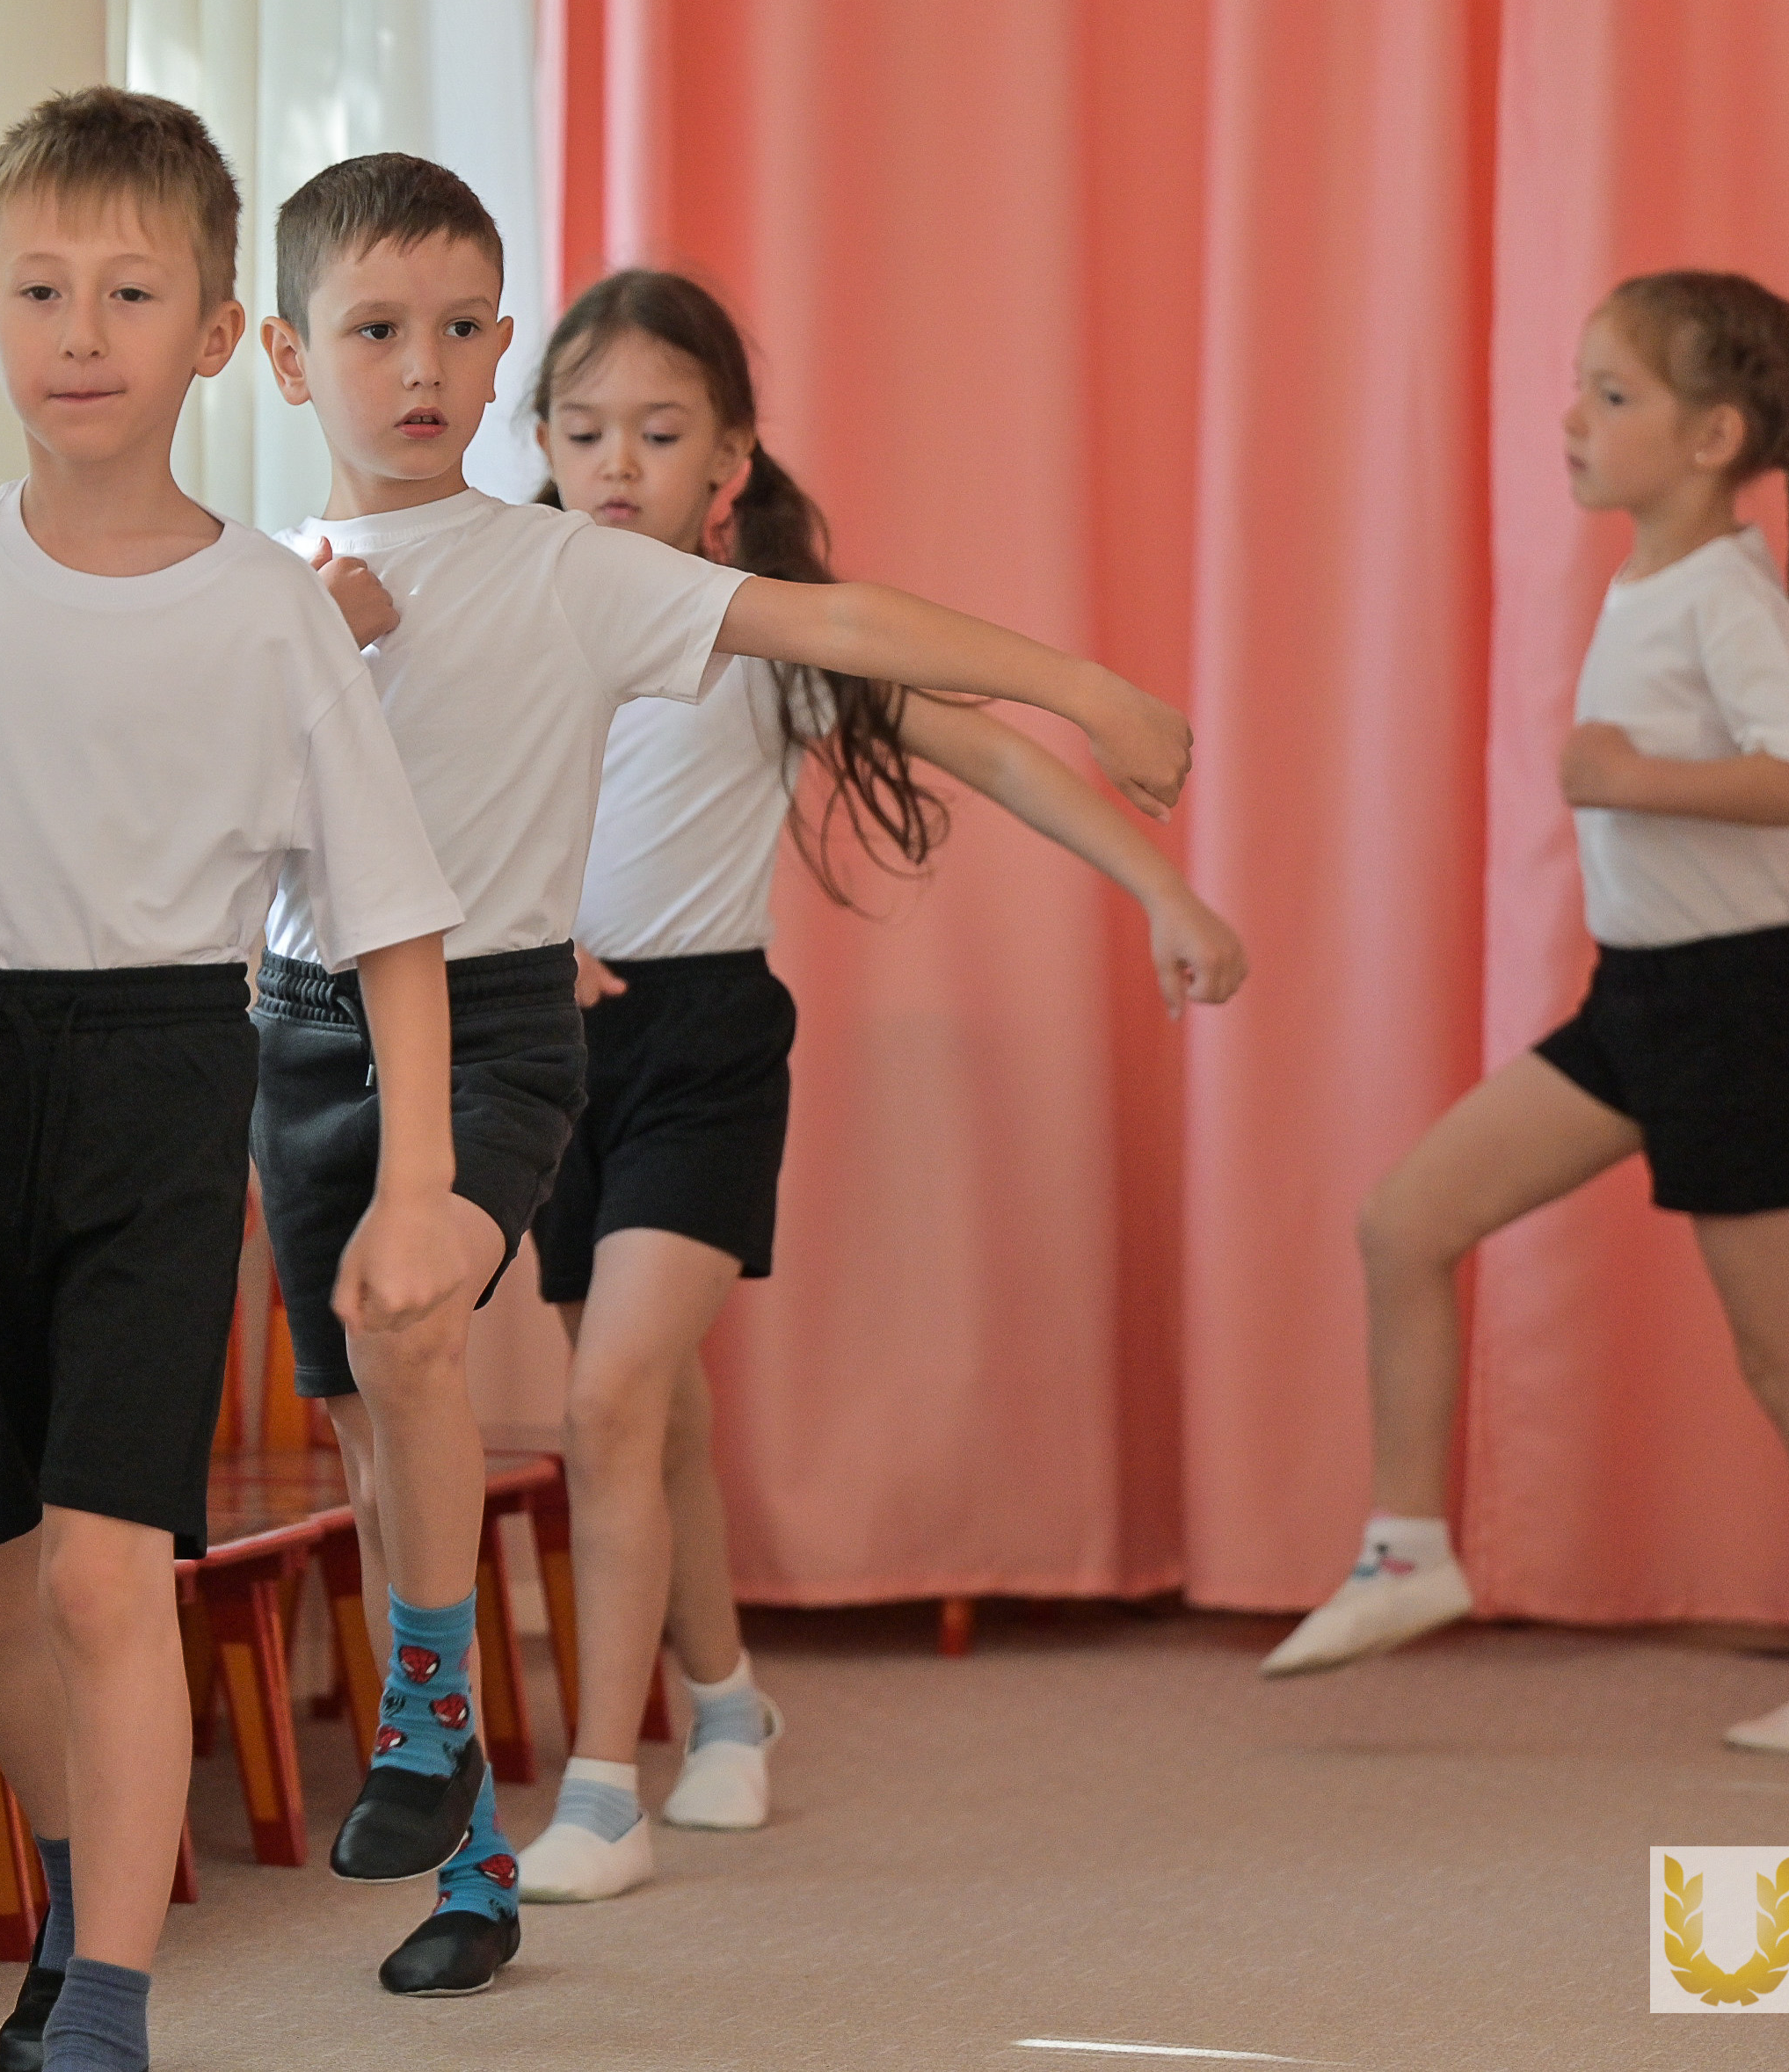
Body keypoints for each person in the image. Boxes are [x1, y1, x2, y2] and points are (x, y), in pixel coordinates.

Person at [251, 156, 1196, 1996]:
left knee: (437, 1326)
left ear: (498, 355)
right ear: (289, 361)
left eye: (457, 329)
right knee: (384, 1465)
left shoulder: (574, 571)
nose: (419, 366)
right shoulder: (259, 586)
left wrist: (1081, 686)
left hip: (504, 1025)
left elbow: (840, 628)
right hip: (298, 1035)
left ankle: (527, 1754)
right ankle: (473, 1845)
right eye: (373, 331)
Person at [0, 89, 465, 2072]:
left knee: (100, 1573)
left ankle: (111, 2010)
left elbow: (391, 918)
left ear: (219, 332)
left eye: (132, 292)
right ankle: (83, 1894)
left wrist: (416, 1179)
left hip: (165, 1072)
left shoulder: (267, 606)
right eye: (41, 289)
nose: (82, 330)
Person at [498, 268, 1248, 1903]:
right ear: (539, 441)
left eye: (657, 432)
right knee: (651, 1416)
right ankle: (726, 1701)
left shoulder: (768, 634)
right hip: (548, 1050)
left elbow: (992, 752)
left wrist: (1164, 896)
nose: (615, 461)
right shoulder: (509, 611)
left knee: (610, 1403)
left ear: (729, 461)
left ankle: (601, 1792)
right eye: (582, 428)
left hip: (702, 1045)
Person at [1261, 270, 1789, 1755]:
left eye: (1612, 394)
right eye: (1579, 385)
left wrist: (1640, 781)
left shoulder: (1721, 593)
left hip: (1735, 1015)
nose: (1571, 416)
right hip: (1639, 1002)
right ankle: (1406, 1547)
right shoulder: (1667, 580)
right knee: (1403, 1222)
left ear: (1711, 437)